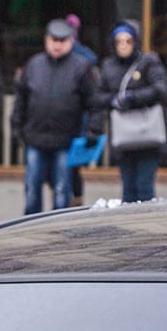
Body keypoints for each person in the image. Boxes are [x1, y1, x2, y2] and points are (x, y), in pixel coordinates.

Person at [12, 17, 102, 215]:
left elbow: (94, 103)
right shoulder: (34, 65)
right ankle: (29, 229)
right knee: (32, 189)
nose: (57, 45)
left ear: (71, 41)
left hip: (65, 141)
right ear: (46, 40)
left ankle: (57, 232)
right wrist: (16, 126)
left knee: (62, 191)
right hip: (35, 139)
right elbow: (21, 99)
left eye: (62, 41)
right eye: (54, 40)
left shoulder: (81, 67)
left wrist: (93, 130)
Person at [94, 20, 167, 203]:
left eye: (128, 41)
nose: (124, 45)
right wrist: (113, 100)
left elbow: (161, 89)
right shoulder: (108, 66)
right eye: (119, 41)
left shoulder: (148, 62)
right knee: (128, 190)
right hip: (123, 136)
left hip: (146, 136)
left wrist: (132, 98)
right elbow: (97, 96)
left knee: (144, 188)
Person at [64, 14, 99, 206]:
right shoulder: (81, 54)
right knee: (67, 165)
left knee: (72, 165)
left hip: (77, 119)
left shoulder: (82, 56)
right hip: (66, 118)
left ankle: (74, 199)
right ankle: (69, 198)